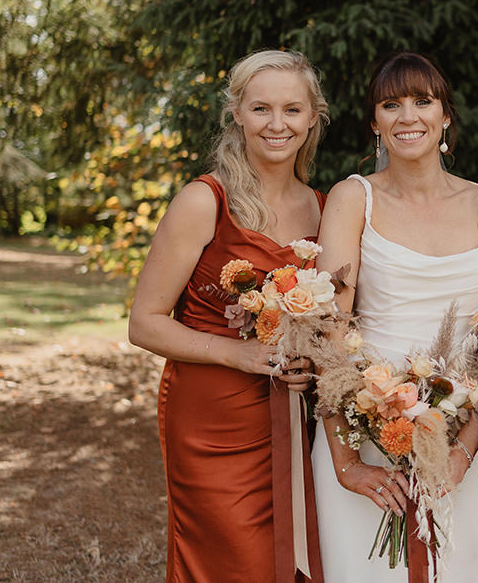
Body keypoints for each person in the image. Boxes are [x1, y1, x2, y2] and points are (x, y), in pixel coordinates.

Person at [311, 52, 478, 581]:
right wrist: (348, 460)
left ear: (446, 116)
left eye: (422, 101)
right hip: (364, 422)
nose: (408, 116)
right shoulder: (351, 198)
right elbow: (327, 333)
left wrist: (462, 450)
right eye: (391, 104)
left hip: (463, 432)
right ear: (375, 123)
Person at [128, 49, 330, 582]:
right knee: (230, 560)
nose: (277, 124)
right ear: (237, 113)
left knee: (298, 557)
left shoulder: (326, 207)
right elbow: (144, 321)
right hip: (213, 417)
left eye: (292, 110)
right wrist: (236, 353)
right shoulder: (204, 201)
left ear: (313, 116)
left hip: (297, 411)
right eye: (261, 109)